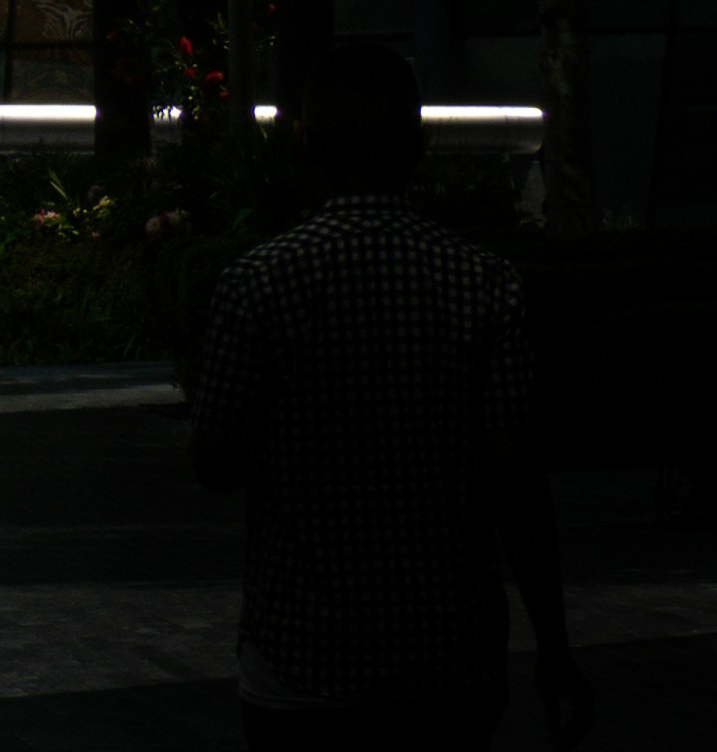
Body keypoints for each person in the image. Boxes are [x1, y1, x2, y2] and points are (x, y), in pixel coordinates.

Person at [190, 42, 585, 751]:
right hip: (448, 659)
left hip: (301, 656)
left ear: (305, 144)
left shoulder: (256, 285)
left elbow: (214, 464)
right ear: (417, 145)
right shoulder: (481, 282)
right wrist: (553, 648)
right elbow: (517, 483)